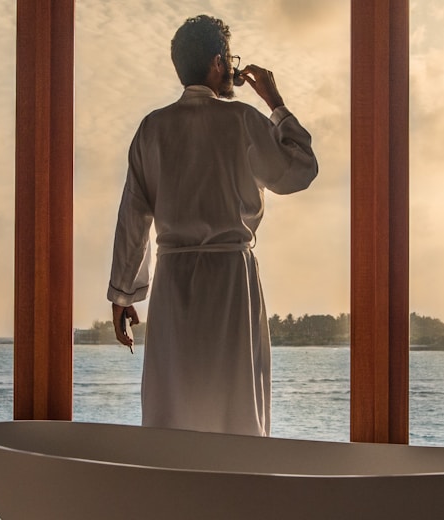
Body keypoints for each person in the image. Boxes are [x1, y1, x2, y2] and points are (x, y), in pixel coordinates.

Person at [106, 14, 318, 436]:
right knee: (235, 406)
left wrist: (123, 294)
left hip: (173, 285)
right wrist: (276, 104)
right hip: (230, 283)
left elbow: (133, 216)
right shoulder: (241, 120)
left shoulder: (153, 128)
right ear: (219, 63)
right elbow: (300, 170)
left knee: (172, 411)